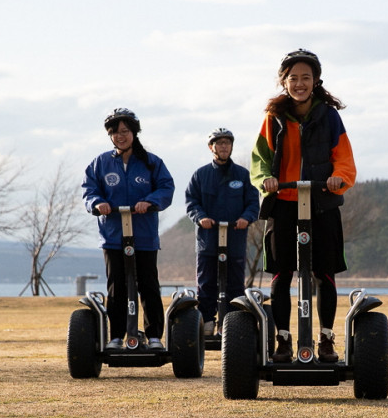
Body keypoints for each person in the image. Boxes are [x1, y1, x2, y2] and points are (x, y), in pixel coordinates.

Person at [250, 49, 357, 363]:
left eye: (305, 78)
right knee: (282, 274)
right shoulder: (274, 118)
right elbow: (260, 161)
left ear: (316, 81)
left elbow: (345, 160)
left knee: (325, 274)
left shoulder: (329, 116)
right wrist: (266, 179)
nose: (299, 83)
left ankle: (325, 338)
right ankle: (282, 339)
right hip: (283, 203)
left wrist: (339, 178)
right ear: (284, 82)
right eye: (293, 78)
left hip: (322, 203)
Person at [82, 108, 175, 349]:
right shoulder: (100, 163)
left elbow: (166, 188)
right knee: (117, 287)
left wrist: (150, 201)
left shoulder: (151, 162)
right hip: (113, 235)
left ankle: (154, 336)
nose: (120, 136)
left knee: (148, 285)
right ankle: (116, 336)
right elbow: (89, 190)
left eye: (125, 131)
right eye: (115, 132)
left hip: (143, 235)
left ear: (134, 132)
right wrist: (97, 203)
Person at [185, 128, 259, 336]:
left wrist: (246, 218)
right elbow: (191, 202)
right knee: (206, 283)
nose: (224, 146)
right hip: (208, 241)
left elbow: (253, 203)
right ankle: (207, 321)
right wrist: (201, 218)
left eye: (227, 143)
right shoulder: (201, 175)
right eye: (219, 143)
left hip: (234, 240)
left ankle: (230, 324)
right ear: (212, 147)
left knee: (235, 285)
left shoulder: (243, 175)